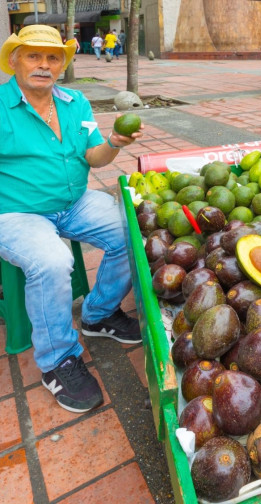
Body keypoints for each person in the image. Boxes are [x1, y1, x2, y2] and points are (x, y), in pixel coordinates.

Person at [0, 25, 143, 414]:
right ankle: (58, 360)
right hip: (18, 212)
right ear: (14, 60)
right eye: (33, 56)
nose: (43, 65)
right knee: (52, 262)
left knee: (132, 231)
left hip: (74, 201)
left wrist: (113, 143)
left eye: (52, 57)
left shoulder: (74, 101)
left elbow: (92, 155)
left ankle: (98, 314)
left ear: (61, 64)